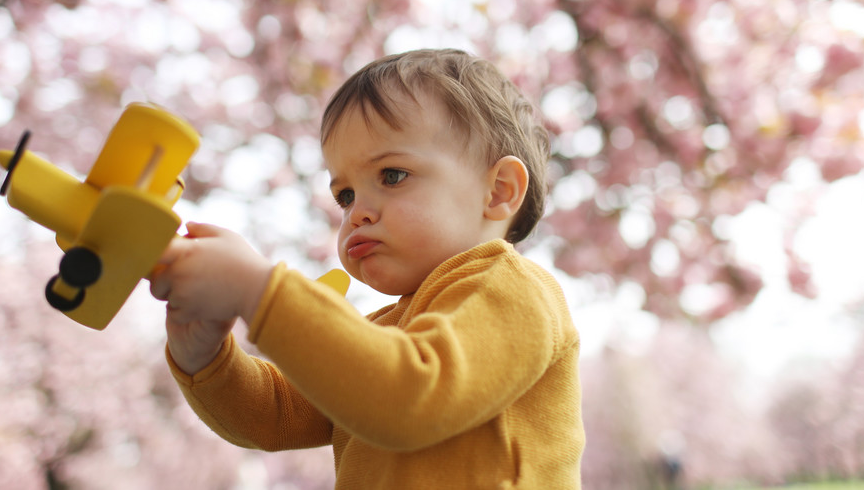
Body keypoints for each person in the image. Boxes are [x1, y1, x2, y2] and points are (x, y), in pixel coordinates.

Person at [148, 48, 584, 488]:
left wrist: (259, 291)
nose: (357, 213)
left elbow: (412, 396)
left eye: (392, 175)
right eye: (345, 195)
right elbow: (275, 415)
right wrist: (205, 357)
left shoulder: (516, 291)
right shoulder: (388, 333)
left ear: (498, 192)